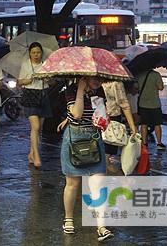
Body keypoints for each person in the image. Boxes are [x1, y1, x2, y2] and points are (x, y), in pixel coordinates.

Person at [57, 77, 113, 242]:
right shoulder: (71, 90)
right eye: (94, 78)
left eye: (100, 78)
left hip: (94, 139)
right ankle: (68, 219)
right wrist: (80, 90)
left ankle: (101, 226)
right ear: (84, 77)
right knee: (73, 184)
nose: (98, 81)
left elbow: (101, 115)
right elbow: (77, 114)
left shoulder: (100, 92)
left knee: (98, 185)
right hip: (74, 138)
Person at [17, 42, 52, 168]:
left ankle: (31, 153)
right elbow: (20, 82)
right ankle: (37, 155)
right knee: (35, 127)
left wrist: (46, 77)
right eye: (33, 52)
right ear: (30, 53)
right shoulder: (26, 64)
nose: (36, 55)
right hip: (30, 96)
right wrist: (31, 78)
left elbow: (51, 80)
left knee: (38, 129)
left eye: (38, 52)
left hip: (43, 95)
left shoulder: (45, 65)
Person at [101, 80, 137, 174]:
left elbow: (124, 105)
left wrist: (132, 127)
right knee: (101, 161)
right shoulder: (90, 80)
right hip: (95, 122)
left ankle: (123, 182)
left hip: (111, 124)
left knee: (105, 160)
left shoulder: (115, 83)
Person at [137, 69, 165, 149]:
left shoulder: (140, 75)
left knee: (144, 124)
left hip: (142, 103)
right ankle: (159, 143)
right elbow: (161, 87)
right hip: (154, 104)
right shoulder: (156, 74)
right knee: (157, 124)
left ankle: (144, 143)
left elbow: (136, 88)